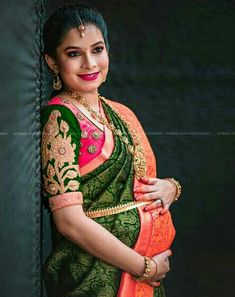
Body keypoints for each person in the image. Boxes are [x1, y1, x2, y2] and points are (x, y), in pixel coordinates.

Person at [41, 4, 182, 297]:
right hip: (99, 277)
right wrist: (144, 267)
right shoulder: (60, 118)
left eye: (97, 49)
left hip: (142, 274)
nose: (90, 63)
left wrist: (170, 187)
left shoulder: (119, 112)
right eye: (74, 53)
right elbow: (69, 222)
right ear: (53, 62)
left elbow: (139, 183)